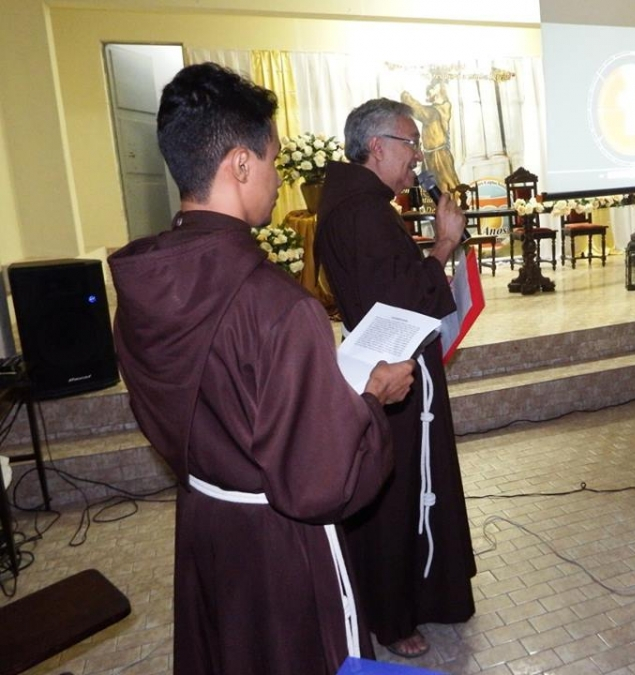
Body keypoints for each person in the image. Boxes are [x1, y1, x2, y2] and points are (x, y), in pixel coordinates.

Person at [108, 63, 415, 675]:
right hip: (281, 543)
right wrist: (371, 400)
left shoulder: (144, 285)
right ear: (241, 164)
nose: (280, 179)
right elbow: (321, 484)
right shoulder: (281, 307)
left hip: (206, 518)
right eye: (273, 160)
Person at [314, 98, 476, 658]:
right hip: (390, 372)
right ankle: (392, 614)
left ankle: (419, 596)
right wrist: (444, 244)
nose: (419, 158)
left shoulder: (359, 202)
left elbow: (392, 282)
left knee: (408, 488)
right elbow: (404, 300)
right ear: (377, 146)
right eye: (412, 145)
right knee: (396, 494)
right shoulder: (362, 211)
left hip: (392, 362)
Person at [401, 80, 461, 193]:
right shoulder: (438, 109)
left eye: (432, 88)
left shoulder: (435, 112)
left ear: (439, 89)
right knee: (433, 188)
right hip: (431, 154)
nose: (429, 90)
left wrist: (405, 96)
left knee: (446, 186)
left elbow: (420, 111)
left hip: (439, 156)